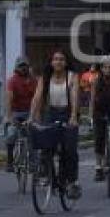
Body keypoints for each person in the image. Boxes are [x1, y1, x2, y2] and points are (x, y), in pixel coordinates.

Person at [29, 50, 81, 199]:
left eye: (62, 59)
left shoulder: (72, 77)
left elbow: (75, 97)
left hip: (67, 113)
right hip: (50, 113)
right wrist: (31, 117)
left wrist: (73, 117)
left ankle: (72, 182)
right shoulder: (45, 78)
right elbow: (37, 97)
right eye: (55, 59)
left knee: (69, 150)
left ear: (66, 63)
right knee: (45, 146)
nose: (58, 62)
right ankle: (46, 174)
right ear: (51, 62)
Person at [4, 56, 37, 172]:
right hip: (15, 112)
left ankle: (34, 163)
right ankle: (9, 161)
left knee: (34, 136)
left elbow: (37, 98)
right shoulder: (12, 80)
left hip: (30, 112)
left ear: (28, 67)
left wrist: (36, 115)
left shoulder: (33, 80)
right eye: (21, 66)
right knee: (12, 133)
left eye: (25, 66)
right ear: (16, 68)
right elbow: (8, 99)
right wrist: (9, 117)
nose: (23, 68)